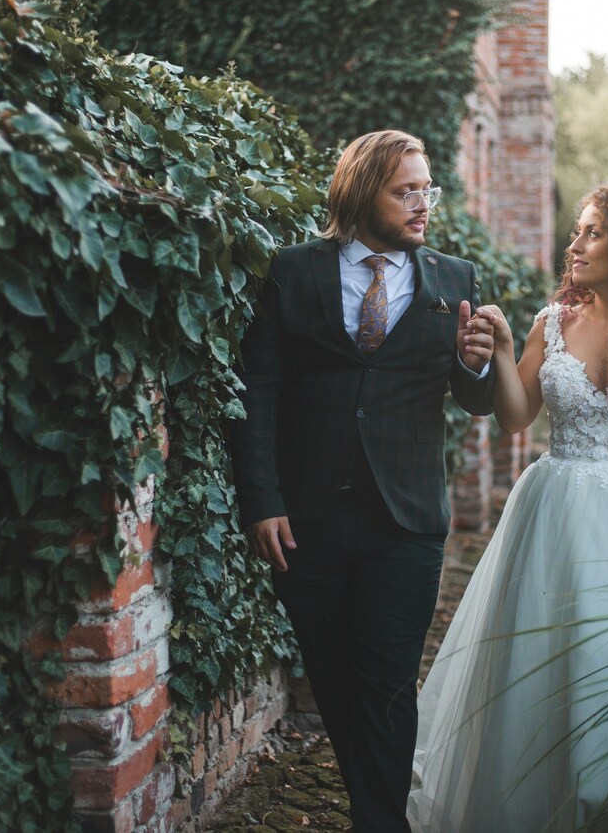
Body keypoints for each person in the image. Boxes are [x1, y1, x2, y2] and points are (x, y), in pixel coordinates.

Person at [408, 182, 608, 832]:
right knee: (544, 677)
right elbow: (516, 416)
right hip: (555, 515)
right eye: (577, 231)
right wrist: (500, 351)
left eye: (593, 233)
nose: (574, 245)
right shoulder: (552, 324)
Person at [230, 129, 498, 833]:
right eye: (405, 190)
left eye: (427, 189)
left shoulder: (455, 279)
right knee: (333, 680)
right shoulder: (293, 272)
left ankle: (380, 824)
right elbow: (258, 391)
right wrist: (261, 500)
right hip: (305, 519)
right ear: (360, 193)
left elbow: (475, 400)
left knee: (384, 686)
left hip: (405, 520)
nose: (422, 204)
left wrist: (476, 364)